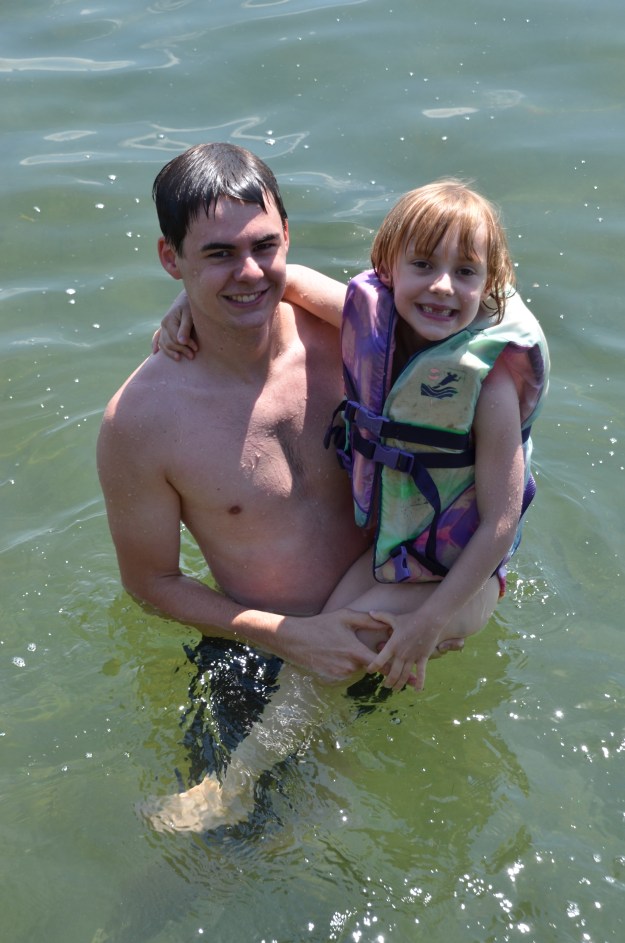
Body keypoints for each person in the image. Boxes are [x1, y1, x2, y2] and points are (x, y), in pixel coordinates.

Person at [98, 145, 526, 831]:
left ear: (287, 239)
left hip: (405, 619)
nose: (248, 272)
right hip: (266, 655)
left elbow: (457, 306)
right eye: (217, 255)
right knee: (225, 860)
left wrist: (432, 616)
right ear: (170, 258)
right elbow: (150, 583)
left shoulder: (349, 337)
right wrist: (292, 637)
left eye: (263, 246)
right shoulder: (141, 423)